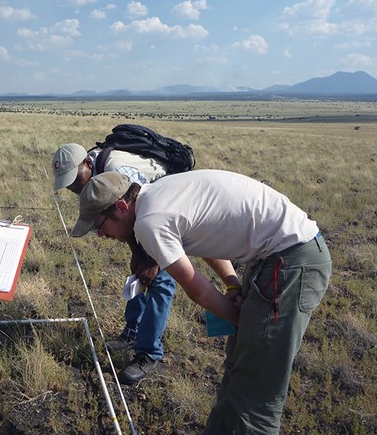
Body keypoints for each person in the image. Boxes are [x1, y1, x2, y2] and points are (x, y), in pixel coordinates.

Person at [71, 170, 332, 434]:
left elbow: (200, 292)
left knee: (254, 400)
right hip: (271, 259)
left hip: (289, 262)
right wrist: (232, 283)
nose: (100, 235)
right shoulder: (158, 194)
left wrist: (244, 321)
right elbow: (206, 240)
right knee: (238, 367)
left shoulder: (149, 222)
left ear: (121, 206)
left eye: (99, 225)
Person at [51, 142, 176, 384]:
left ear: (88, 163)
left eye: (75, 180)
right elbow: (128, 218)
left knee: (160, 280)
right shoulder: (97, 177)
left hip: (167, 214)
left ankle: (149, 354)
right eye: (67, 185)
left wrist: (152, 259)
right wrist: (135, 252)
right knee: (138, 270)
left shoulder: (121, 171)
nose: (74, 188)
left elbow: (145, 209)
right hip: (144, 216)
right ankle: (133, 331)